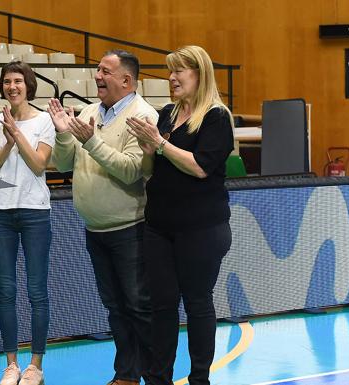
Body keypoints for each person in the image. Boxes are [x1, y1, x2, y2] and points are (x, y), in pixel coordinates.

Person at [47, 50, 158, 385]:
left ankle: (155, 375)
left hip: (131, 228)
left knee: (138, 306)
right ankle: (126, 375)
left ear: (126, 80)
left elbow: (130, 171)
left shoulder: (143, 116)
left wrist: (91, 140)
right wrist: (64, 133)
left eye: (105, 71)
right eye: (97, 69)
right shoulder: (91, 111)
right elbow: (64, 164)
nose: (97, 75)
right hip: (95, 228)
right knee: (115, 307)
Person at [125, 45, 234, 385]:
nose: (171, 78)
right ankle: (159, 378)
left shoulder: (217, 117)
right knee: (162, 305)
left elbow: (201, 167)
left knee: (198, 303)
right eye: (169, 71)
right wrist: (147, 150)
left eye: (179, 71)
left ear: (199, 75)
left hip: (201, 228)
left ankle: (200, 378)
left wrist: (160, 145)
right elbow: (154, 166)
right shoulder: (167, 114)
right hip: (159, 225)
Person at [0, 61, 56, 385]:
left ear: (28, 85)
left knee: (37, 291)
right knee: (6, 290)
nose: (12, 86)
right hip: (0, 212)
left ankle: (35, 366)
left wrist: (17, 133)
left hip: (34, 213)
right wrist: (8, 141)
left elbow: (39, 165)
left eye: (18, 81)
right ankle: (11, 365)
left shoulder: (44, 121)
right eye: (6, 82)